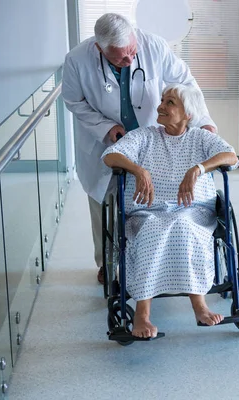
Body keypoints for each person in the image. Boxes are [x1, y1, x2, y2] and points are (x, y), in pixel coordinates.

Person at [62, 13, 217, 284]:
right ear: (99, 48)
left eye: (132, 52)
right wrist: (105, 127)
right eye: (120, 58)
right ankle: (107, 263)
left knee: (153, 202)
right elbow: (73, 102)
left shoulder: (154, 45)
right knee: (104, 203)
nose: (129, 61)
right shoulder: (76, 60)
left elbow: (186, 83)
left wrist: (202, 121)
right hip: (107, 141)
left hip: (151, 140)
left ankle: (160, 260)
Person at [102, 83, 238, 338]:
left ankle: (200, 306)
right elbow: (111, 155)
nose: (160, 106)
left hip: (192, 211)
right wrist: (138, 170)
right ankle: (142, 315)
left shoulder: (200, 138)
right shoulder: (145, 136)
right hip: (147, 213)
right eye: (162, 100)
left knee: (184, 226)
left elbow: (230, 156)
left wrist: (198, 168)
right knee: (154, 229)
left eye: (170, 103)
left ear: (188, 113)